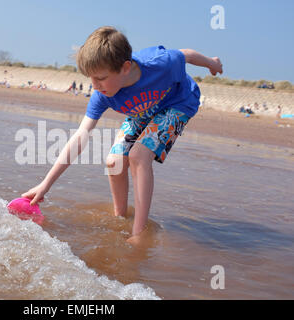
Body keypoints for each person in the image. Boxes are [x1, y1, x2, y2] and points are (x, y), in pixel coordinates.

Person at [21, 26, 223, 245]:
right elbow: (80, 136)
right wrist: (45, 185)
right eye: (91, 79)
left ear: (125, 67)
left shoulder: (160, 63)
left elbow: (187, 55)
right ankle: (120, 217)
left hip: (178, 104)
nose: (95, 86)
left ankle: (138, 231)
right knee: (113, 161)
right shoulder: (103, 94)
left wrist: (212, 64)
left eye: (101, 78)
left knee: (138, 155)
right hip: (143, 110)